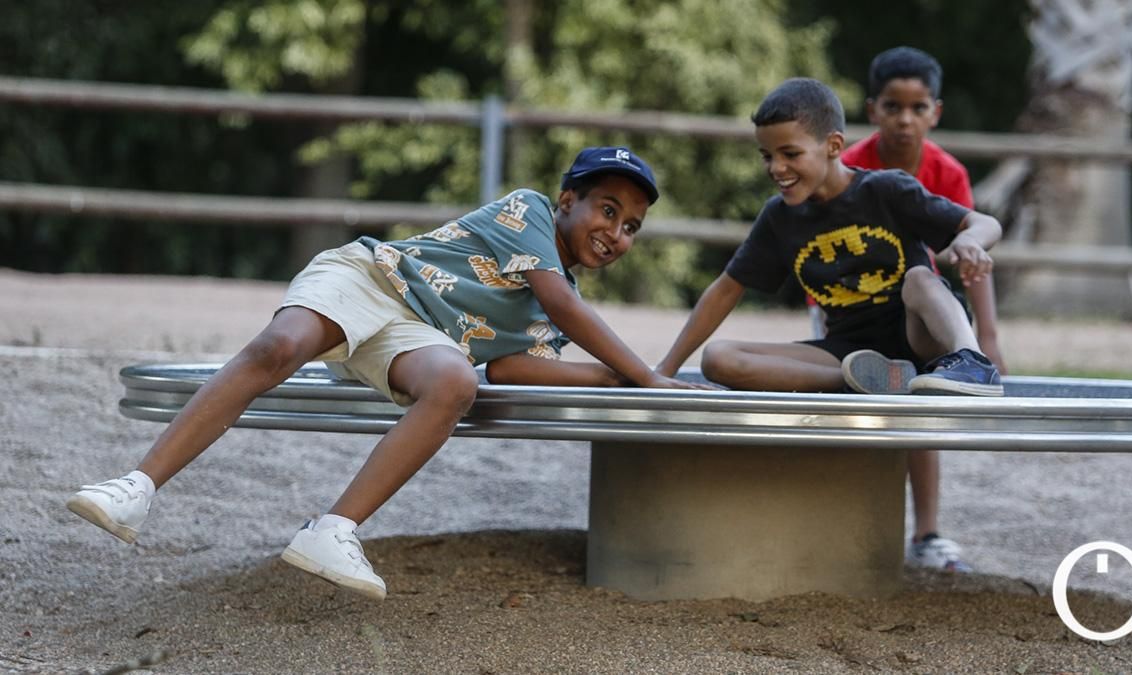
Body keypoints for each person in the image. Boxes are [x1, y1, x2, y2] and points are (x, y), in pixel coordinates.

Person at [68, 146, 705, 601]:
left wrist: (618, 380)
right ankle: (137, 486)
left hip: (417, 337)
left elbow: (515, 366)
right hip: (370, 278)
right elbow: (563, 300)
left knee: (458, 382)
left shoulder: (559, 312)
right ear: (569, 201)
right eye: (606, 210)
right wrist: (647, 374)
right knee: (279, 348)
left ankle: (333, 531)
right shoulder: (531, 211)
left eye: (631, 228)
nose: (616, 232)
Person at [655, 76, 1003, 564]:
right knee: (720, 359)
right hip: (849, 352)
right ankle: (866, 383)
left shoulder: (885, 190)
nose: (777, 168)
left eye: (790, 154)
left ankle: (971, 362)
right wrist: (662, 373)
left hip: (918, 339)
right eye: (767, 156)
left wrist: (970, 242)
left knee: (920, 279)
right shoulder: (780, 217)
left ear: (833, 146)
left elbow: (984, 223)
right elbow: (724, 290)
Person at [839, 46, 1008, 571]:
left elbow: (971, 255)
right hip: (851, 308)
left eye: (917, 108)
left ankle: (927, 532)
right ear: (874, 109)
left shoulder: (946, 172)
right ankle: (849, 528)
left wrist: (988, 340)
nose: (905, 120)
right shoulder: (848, 167)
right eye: (894, 107)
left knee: (919, 401)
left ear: (935, 111)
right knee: (853, 413)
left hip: (920, 310)